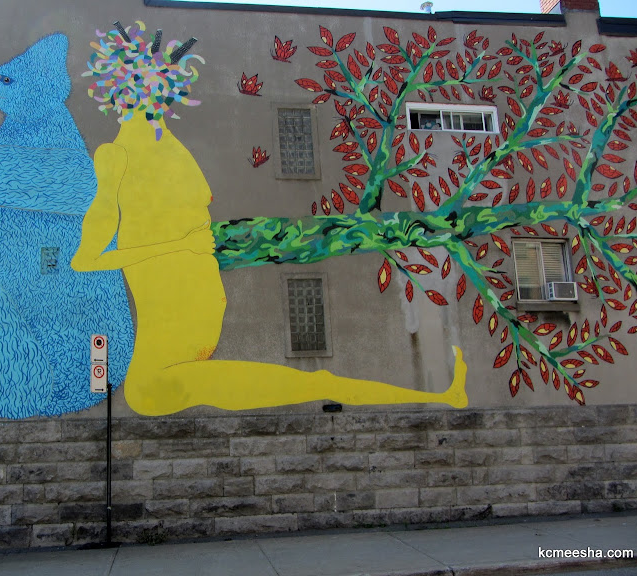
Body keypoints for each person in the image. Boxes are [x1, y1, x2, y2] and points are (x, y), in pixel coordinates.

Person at [72, 22, 468, 416]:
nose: (158, 96)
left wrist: (190, 245)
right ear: (123, 91)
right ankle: (438, 398)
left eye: (163, 86)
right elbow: (87, 259)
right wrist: (181, 245)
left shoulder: (168, 145)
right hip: (169, 321)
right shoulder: (115, 156)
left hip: (192, 306)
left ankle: (440, 398)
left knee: (304, 385)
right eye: (148, 87)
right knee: (305, 385)